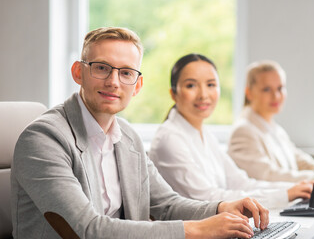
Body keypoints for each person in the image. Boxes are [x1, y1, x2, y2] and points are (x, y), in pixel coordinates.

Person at [11, 27, 269, 239]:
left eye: (126, 73)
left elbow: (165, 205)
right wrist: (198, 229)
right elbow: (87, 229)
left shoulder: (128, 137)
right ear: (79, 73)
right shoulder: (43, 139)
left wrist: (221, 208)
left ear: (137, 85)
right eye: (101, 68)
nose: (113, 81)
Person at [149, 53, 313, 210]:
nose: (203, 94)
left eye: (211, 85)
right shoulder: (169, 139)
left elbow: (242, 183)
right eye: (191, 85)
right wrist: (284, 195)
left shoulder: (205, 134)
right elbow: (208, 198)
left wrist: (293, 189)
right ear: (173, 93)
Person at [227, 61, 314, 183]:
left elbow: (300, 161)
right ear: (249, 93)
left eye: (280, 88)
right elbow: (268, 175)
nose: (276, 96)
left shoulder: (276, 129)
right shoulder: (243, 131)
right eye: (266, 89)